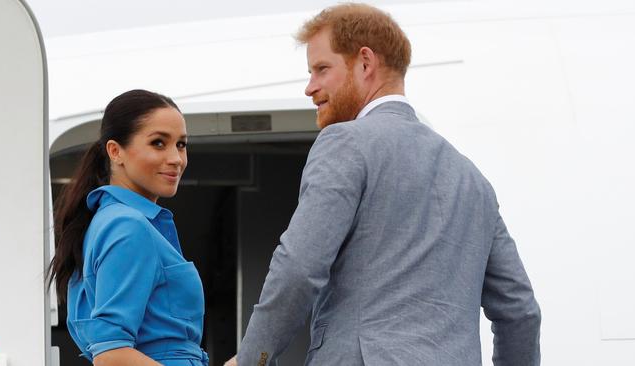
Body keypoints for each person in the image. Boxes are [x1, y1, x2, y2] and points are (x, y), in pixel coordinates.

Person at [228, 3, 540, 366]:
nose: (310, 87)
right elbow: (520, 311)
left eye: (321, 69)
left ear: (365, 62)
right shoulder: (472, 179)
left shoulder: (344, 143)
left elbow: (298, 268)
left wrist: (252, 360)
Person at [47, 89, 209, 366]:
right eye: (158, 143)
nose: (176, 158)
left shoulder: (109, 221)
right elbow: (112, 355)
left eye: (181, 145)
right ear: (115, 151)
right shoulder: (127, 226)